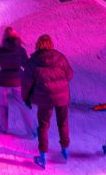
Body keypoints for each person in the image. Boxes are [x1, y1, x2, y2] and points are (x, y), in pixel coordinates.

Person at [23, 33, 72, 168]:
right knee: (63, 123)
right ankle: (65, 152)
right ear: (51, 44)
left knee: (44, 125)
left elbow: (26, 83)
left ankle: (43, 157)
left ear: (38, 44)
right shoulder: (60, 57)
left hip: (45, 99)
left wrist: (25, 97)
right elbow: (70, 74)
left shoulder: (32, 62)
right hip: (62, 97)